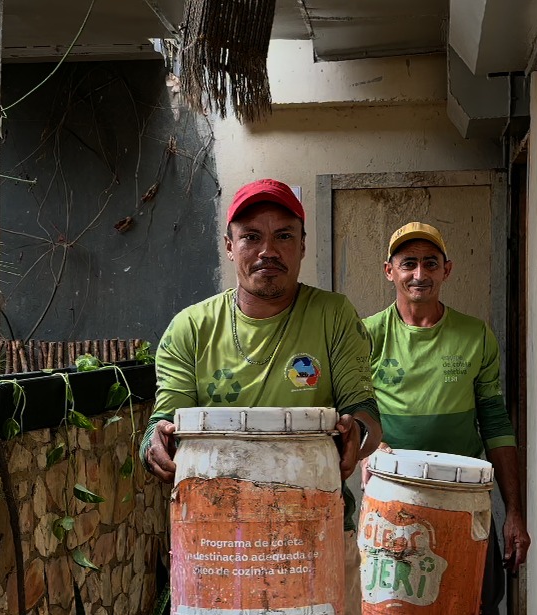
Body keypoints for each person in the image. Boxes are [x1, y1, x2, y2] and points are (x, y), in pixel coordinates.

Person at [141, 178, 383, 614]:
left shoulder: (333, 315)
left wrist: (356, 435)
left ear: (303, 246)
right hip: (213, 544)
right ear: (230, 246)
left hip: (316, 537)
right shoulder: (190, 329)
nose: (267, 249)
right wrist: (154, 445)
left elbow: (364, 414)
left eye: (283, 236)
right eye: (251, 236)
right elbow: (163, 423)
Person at [362, 221, 530, 615]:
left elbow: (495, 424)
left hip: (465, 500)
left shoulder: (475, 335)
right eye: (408, 264)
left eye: (430, 263)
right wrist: (372, 444)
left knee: (475, 599)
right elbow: (353, 413)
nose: (419, 274)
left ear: (446, 270)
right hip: (392, 502)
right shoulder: (367, 335)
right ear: (390, 271)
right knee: (393, 604)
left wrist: (514, 515)